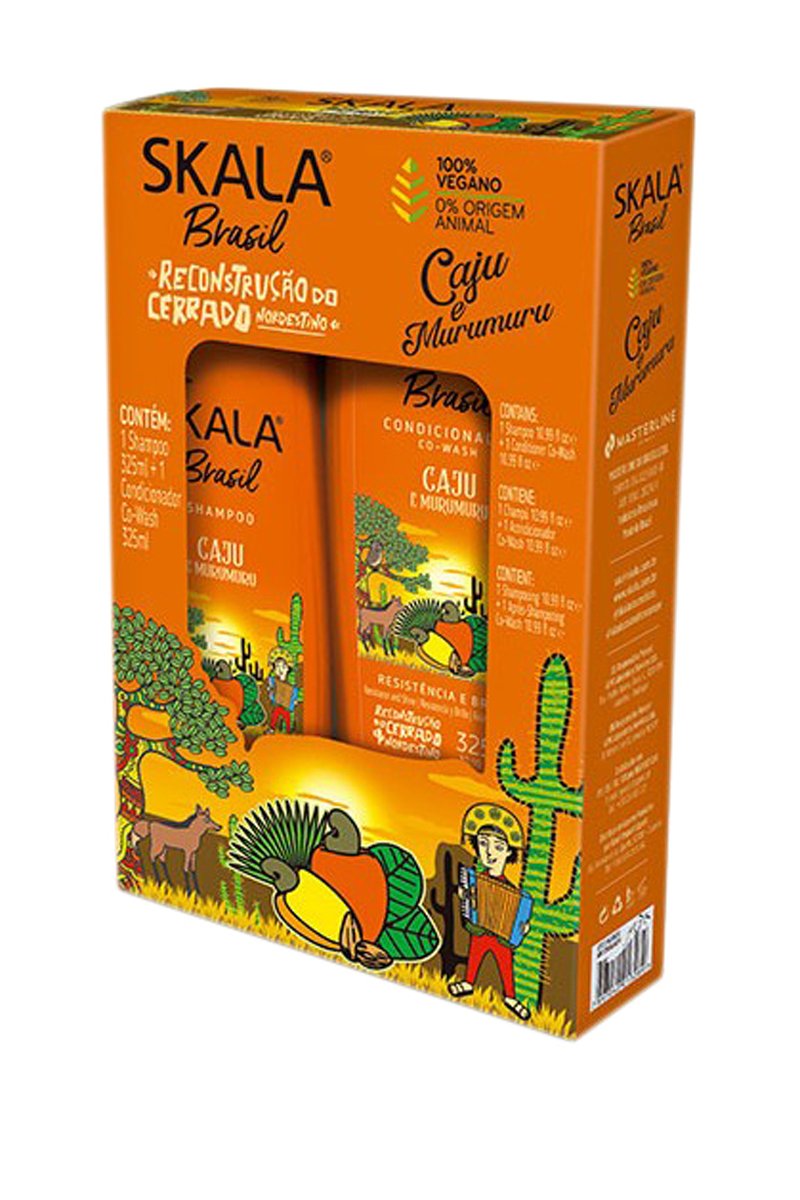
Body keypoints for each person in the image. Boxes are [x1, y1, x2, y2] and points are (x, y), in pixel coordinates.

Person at [448, 805, 530, 1021]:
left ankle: (510, 997)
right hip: (480, 929)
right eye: (483, 843)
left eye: (498, 846)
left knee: (505, 963)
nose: (489, 852)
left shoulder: (514, 892)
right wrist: (464, 894)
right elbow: (468, 897)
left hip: (502, 936)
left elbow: (521, 915)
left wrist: (523, 927)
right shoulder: (474, 877)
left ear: (509, 851)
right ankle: (468, 982)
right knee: (475, 953)